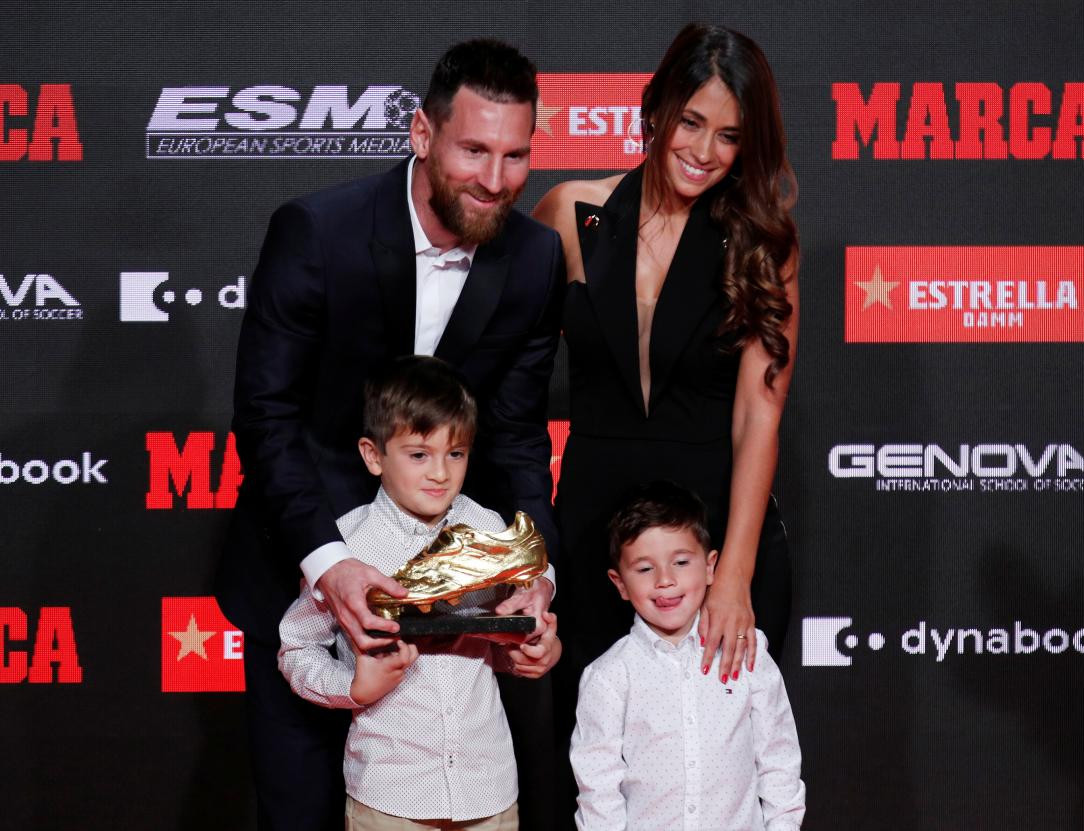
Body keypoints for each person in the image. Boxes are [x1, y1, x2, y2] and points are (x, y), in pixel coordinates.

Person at [216, 38, 564, 830]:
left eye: (516, 155)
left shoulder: (536, 260)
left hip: (446, 615)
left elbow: (515, 442)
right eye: (474, 148)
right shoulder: (318, 231)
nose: (496, 178)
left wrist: (533, 580)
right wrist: (330, 567)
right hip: (302, 580)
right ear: (420, 133)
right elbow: (266, 417)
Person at [534, 20, 799, 772]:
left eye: (729, 136)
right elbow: (509, 384)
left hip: (712, 542)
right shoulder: (568, 212)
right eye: (691, 121)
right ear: (656, 108)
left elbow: (759, 413)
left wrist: (735, 572)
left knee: (711, 774)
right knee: (592, 773)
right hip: (592, 541)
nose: (703, 151)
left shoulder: (761, 242)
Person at [279, 356, 560, 831]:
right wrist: (351, 689)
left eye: (456, 454)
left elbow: (508, 639)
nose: (439, 473)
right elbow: (296, 647)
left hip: (488, 789)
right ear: (373, 455)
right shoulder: (344, 551)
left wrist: (535, 647)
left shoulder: (489, 530)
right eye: (418, 454)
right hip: (388, 793)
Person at [571, 481, 804, 829]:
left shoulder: (745, 650)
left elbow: (778, 761)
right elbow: (598, 788)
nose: (665, 580)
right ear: (619, 583)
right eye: (645, 569)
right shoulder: (608, 677)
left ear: (711, 567)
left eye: (681, 562)